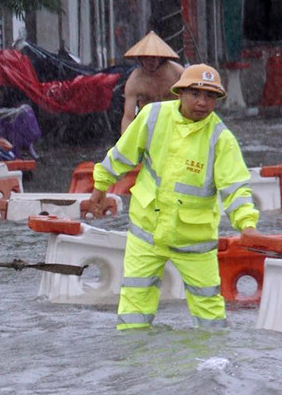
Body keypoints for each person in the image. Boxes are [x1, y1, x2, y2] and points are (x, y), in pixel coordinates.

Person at [85, 65, 262, 330]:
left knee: (209, 310)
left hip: (194, 238)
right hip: (147, 229)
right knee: (134, 301)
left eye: (210, 97)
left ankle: (211, 362)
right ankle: (134, 360)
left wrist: (247, 226)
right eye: (195, 93)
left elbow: (235, 188)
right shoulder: (153, 117)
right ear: (179, 93)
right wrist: (99, 188)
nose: (202, 102)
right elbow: (122, 155)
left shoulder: (221, 139)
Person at [119, 31, 185, 133]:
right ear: (140, 58)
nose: (150, 61)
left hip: (175, 122)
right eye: (146, 58)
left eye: (153, 58)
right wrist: (124, 144)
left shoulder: (177, 72)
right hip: (149, 125)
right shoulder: (135, 80)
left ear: (161, 57)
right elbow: (128, 117)